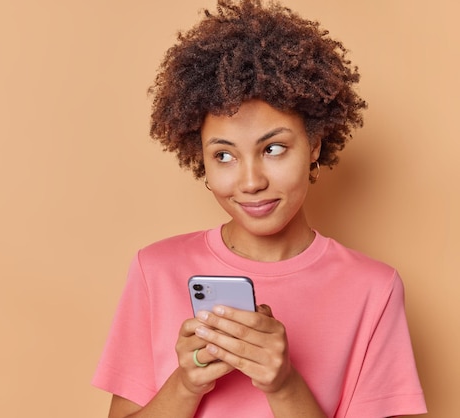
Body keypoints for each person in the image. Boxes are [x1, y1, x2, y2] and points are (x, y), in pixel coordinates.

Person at [92, 0, 427, 416]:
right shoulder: (155, 270)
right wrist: (186, 383)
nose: (251, 182)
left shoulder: (374, 290)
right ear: (201, 159)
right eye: (224, 155)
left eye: (273, 148)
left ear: (315, 146)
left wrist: (284, 384)